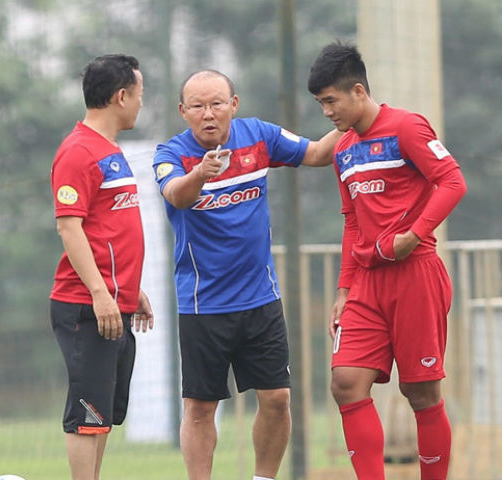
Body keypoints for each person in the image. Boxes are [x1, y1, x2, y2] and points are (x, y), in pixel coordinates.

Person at [152, 69, 341, 480]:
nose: (208, 114)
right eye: (198, 106)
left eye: (217, 104)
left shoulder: (258, 136)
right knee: (200, 408)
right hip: (203, 304)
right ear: (183, 111)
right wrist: (200, 174)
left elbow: (316, 153)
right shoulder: (171, 154)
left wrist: (359, 118)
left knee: (277, 399)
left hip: (260, 299)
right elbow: (176, 195)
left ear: (233, 105)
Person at [307, 42, 467, 480]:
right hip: (366, 283)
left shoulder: (406, 127)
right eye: (320, 104)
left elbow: (452, 181)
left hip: (416, 276)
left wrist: (414, 236)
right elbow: (351, 221)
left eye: (330, 101)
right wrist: (343, 289)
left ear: (358, 91)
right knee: (345, 382)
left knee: (421, 393)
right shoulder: (343, 149)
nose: (327, 112)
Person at [49, 53, 154, 480]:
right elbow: (69, 227)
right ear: (121, 96)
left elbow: (108, 229)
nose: (142, 102)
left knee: (103, 413)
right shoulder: (78, 151)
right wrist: (99, 293)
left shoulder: (109, 149)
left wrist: (130, 289)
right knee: (87, 412)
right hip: (86, 304)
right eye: (140, 93)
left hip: (115, 299)